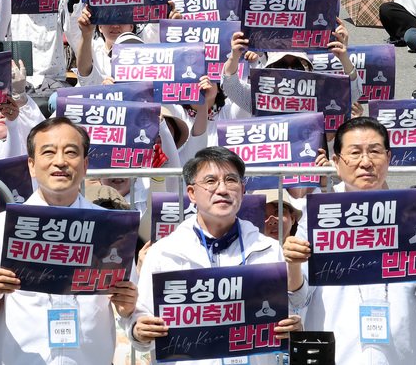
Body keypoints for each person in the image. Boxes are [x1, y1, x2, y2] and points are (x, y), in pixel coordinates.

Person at [0, 117, 140, 365]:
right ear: (31, 165)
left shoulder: (111, 229)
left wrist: (128, 306)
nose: (60, 161)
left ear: (84, 165)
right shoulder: (3, 226)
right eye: (48, 152)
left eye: (71, 152)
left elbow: (130, 308)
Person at [299, 117, 416, 365]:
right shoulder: (316, 214)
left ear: (388, 157)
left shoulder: (415, 212)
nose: (366, 162)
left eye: (375, 151)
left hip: (402, 353)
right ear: (336, 162)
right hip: (339, 354)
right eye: (355, 153)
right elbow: (297, 295)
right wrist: (292, 263)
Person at [128, 147, 306, 363]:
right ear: (192, 193)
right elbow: (140, 324)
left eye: (231, 180)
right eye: (211, 181)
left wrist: (294, 327)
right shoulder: (164, 253)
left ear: (241, 190)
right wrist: (139, 330)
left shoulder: (267, 248)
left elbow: (294, 307)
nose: (222, 189)